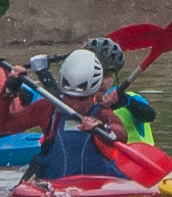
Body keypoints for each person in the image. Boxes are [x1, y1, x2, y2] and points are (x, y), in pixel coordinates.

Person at [25, 48, 145, 181]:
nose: (104, 82)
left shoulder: (124, 98)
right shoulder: (77, 94)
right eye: (102, 75)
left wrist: (126, 101)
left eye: (108, 75)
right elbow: (63, 98)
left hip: (123, 161)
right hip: (63, 173)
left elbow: (148, 116)